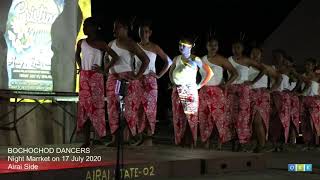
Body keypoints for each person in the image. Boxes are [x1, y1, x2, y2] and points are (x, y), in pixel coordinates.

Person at [75, 17, 119, 148]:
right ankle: (87, 140)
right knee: (84, 108)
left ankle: (99, 136)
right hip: (84, 77)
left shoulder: (101, 44)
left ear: (94, 28)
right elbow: (77, 54)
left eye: (86, 26)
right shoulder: (81, 42)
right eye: (83, 26)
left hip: (96, 78)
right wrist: (80, 66)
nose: (84, 28)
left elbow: (115, 57)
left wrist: (104, 69)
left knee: (96, 108)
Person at [105, 17, 150, 146]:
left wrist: (136, 76)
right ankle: (115, 139)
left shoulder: (131, 43)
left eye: (117, 27)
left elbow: (145, 60)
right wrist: (107, 70)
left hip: (126, 79)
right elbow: (106, 59)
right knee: (112, 108)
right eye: (114, 27)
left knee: (127, 109)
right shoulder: (110, 43)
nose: (114, 30)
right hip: (113, 78)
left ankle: (126, 138)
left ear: (125, 29)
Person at [129, 20, 172, 146]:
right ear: (138, 32)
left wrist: (158, 75)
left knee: (150, 108)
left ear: (150, 33)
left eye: (146, 31)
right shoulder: (135, 46)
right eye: (141, 31)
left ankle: (149, 135)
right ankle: (140, 135)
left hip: (150, 80)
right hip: (137, 79)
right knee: (138, 108)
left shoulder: (154, 47)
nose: (144, 34)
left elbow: (168, 61)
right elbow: (129, 61)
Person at [169, 36, 213, 148]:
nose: (181, 47)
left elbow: (209, 72)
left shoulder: (195, 59)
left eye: (183, 45)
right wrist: (172, 82)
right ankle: (180, 140)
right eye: (180, 44)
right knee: (178, 117)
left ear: (190, 47)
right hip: (177, 89)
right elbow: (170, 72)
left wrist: (200, 85)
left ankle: (191, 141)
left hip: (189, 90)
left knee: (190, 116)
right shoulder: (176, 58)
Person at [198, 37, 238, 150]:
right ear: (207, 46)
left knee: (218, 119)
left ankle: (219, 143)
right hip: (204, 91)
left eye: (215, 45)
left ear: (218, 46)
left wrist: (226, 84)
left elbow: (235, 73)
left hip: (217, 92)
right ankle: (206, 142)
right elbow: (199, 76)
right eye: (210, 45)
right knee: (205, 118)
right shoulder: (201, 59)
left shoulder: (222, 59)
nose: (213, 47)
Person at [226, 41, 266, 152]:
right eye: (234, 47)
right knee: (231, 117)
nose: (236, 49)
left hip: (244, 91)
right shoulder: (228, 59)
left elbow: (263, 69)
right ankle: (234, 142)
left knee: (243, 118)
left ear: (242, 49)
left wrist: (252, 82)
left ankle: (242, 143)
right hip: (232, 90)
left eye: (238, 47)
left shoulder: (247, 60)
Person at [248, 47, 282, 152]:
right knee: (253, 121)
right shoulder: (247, 66)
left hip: (262, 95)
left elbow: (279, 78)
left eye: (257, 53)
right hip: (249, 95)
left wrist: (271, 90)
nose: (254, 55)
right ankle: (259, 143)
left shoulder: (265, 67)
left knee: (258, 120)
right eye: (253, 53)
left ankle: (262, 145)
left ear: (261, 56)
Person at [299, 58, 320, 150]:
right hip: (304, 99)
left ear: (313, 66)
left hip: (314, 100)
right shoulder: (302, 75)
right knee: (305, 122)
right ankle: (308, 142)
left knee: (314, 122)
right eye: (306, 64)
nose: (307, 66)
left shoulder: (317, 75)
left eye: (309, 65)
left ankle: (317, 143)